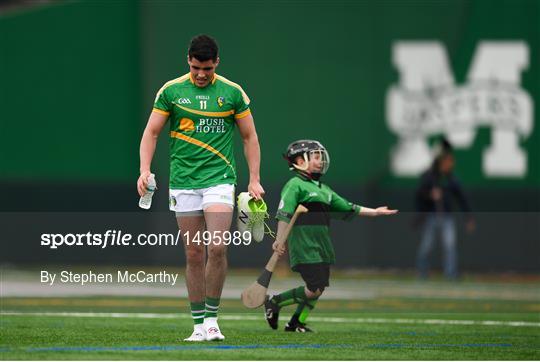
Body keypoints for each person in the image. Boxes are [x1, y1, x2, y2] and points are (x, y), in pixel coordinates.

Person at [137, 34, 264, 342]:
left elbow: (250, 138)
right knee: (194, 253)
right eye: (196, 68)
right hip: (183, 181)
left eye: (207, 68)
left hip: (220, 179)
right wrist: (144, 170)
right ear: (188, 61)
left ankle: (212, 319)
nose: (201, 74)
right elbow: (151, 133)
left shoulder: (232, 93)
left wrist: (254, 179)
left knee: (217, 247)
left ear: (216, 63)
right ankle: (196, 325)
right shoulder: (171, 91)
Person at [264, 140, 397, 332]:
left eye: (320, 156)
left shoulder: (323, 190)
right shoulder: (295, 185)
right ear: (300, 160)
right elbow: (284, 213)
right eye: (315, 157)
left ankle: (296, 322)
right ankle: (275, 302)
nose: (320, 161)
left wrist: (375, 212)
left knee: (319, 287)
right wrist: (279, 239)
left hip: (322, 245)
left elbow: (349, 207)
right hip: (305, 246)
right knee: (314, 287)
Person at [415, 137, 474, 280]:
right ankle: (422, 272)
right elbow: (420, 193)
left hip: (446, 217)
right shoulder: (430, 176)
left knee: (450, 246)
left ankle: (451, 273)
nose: (451, 165)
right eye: (449, 162)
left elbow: (461, 198)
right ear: (443, 162)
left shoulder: (451, 179)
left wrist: (468, 217)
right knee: (426, 246)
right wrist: (431, 195)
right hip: (431, 216)